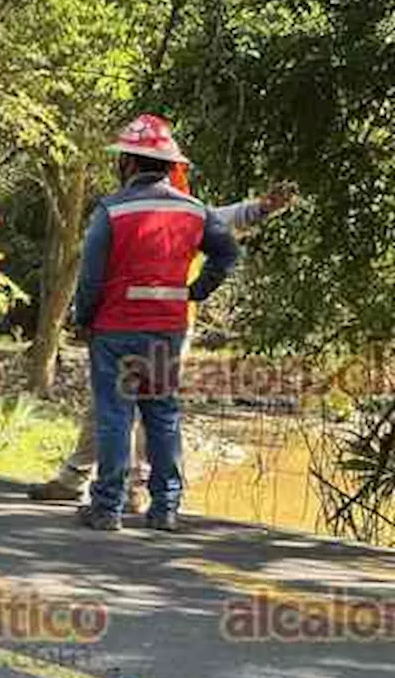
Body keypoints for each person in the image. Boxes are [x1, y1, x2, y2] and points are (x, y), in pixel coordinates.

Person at [27, 181, 299, 511]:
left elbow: (229, 219)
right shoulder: (148, 215)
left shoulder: (179, 214)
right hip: (139, 322)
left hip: (164, 326)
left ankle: (131, 487)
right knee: (114, 405)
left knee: (139, 408)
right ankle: (86, 479)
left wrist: (262, 208)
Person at [73, 114, 239, 532]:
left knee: (115, 414)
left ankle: (107, 508)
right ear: (169, 165)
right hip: (167, 328)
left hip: (115, 328)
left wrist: (83, 319)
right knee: (162, 414)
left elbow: (91, 276)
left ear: (128, 162)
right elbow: (228, 254)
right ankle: (165, 508)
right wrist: (198, 289)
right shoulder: (194, 211)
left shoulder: (110, 211)